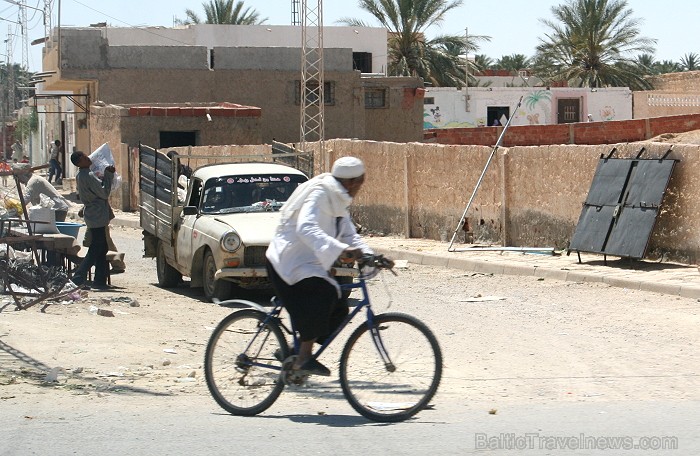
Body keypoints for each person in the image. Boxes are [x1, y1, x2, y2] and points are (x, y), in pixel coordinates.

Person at [265, 156, 392, 376]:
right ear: (351, 182)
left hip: (308, 264)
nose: (359, 188)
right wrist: (339, 249)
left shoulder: (339, 202)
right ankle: (304, 357)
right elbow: (306, 227)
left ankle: (294, 352)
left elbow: (350, 235)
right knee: (322, 293)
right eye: (360, 183)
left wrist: (371, 256)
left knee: (340, 309)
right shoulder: (320, 193)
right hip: (287, 261)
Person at [69, 150, 114, 290]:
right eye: (84, 157)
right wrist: (109, 175)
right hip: (97, 214)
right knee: (96, 248)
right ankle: (78, 278)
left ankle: (100, 281)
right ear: (79, 162)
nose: (87, 158)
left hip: (94, 214)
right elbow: (104, 193)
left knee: (102, 247)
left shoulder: (81, 175)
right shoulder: (88, 175)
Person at [79, 205, 126, 274]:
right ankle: (81, 265)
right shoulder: (94, 198)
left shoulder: (98, 198)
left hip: (99, 223)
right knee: (90, 243)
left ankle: (118, 265)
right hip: (94, 223)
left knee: (106, 244)